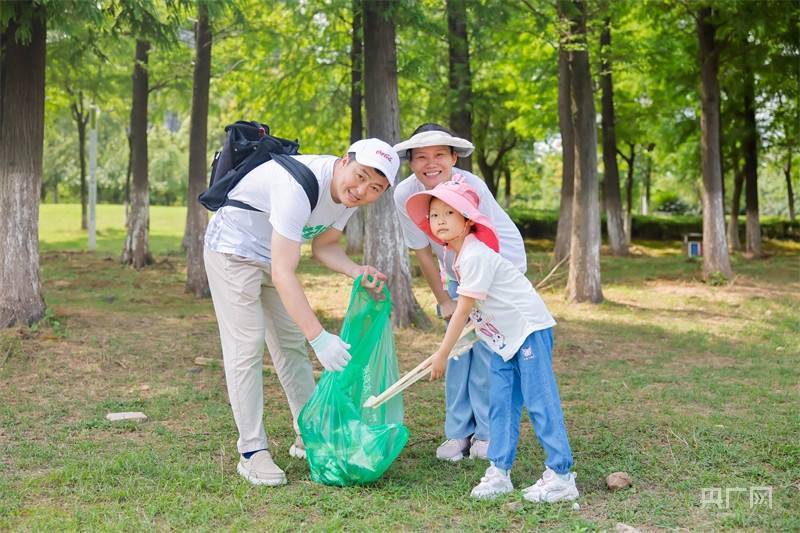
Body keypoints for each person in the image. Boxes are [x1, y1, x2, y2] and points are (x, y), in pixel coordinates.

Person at [203, 138, 400, 486]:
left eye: (375, 187)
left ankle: (310, 434)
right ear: (344, 161)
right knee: (246, 347)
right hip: (233, 251)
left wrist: (357, 270)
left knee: (290, 345)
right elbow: (284, 272)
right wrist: (320, 338)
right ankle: (252, 451)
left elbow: (324, 246)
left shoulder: (349, 196)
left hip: (272, 258)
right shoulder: (298, 185)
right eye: (360, 176)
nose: (362, 190)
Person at [405, 177, 578, 502]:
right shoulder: (456, 258)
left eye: (449, 214)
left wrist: (442, 353)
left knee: (539, 401)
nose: (440, 220)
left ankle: (561, 476)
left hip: (528, 331)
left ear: (468, 220)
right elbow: (474, 314)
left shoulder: (475, 255)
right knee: (501, 404)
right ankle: (500, 471)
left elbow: (462, 310)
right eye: (434, 215)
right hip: (502, 339)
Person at [392, 124, 526, 461]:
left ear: (454, 157)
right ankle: (457, 433)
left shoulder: (471, 186)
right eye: (421, 157)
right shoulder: (404, 194)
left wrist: (466, 300)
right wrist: (444, 301)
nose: (430, 163)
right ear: (410, 162)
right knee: (455, 352)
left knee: (484, 350)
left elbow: (485, 242)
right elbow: (422, 250)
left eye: (439, 154)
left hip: (494, 265)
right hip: (455, 267)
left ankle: (485, 433)